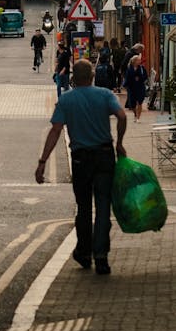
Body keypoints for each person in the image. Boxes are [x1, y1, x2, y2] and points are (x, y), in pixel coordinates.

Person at [35, 58, 127, 275]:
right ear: (92, 76)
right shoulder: (105, 95)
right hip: (104, 156)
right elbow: (122, 116)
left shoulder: (67, 100)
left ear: (74, 79)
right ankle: (101, 256)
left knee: (84, 207)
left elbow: (56, 131)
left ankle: (84, 253)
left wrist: (42, 162)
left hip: (80, 159)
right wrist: (120, 143)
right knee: (103, 207)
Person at [123, 54, 148, 123]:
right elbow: (127, 78)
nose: (139, 61)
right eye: (138, 60)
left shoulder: (142, 68)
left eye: (139, 60)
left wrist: (140, 78)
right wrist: (125, 85)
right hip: (132, 88)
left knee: (139, 102)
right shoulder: (129, 68)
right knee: (132, 104)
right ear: (134, 61)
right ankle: (135, 114)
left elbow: (145, 76)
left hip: (140, 87)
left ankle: (138, 118)